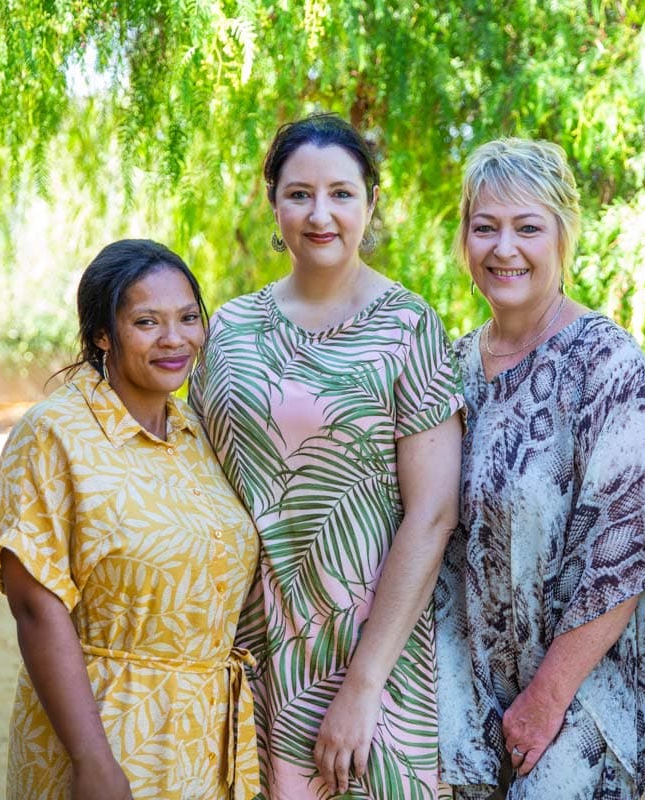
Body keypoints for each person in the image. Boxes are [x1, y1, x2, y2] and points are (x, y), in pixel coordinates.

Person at [190, 112, 464, 800]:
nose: (320, 214)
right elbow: (192, 478)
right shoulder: (227, 330)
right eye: (299, 194)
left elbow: (433, 514)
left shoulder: (409, 326)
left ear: (370, 203)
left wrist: (363, 685)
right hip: (244, 656)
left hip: (370, 659)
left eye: (341, 193)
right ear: (273, 203)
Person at [434, 137, 645, 800]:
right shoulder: (450, 367)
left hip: (584, 703)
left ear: (563, 235)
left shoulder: (606, 365)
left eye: (527, 228)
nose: (504, 248)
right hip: (473, 705)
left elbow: (629, 550)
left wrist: (546, 698)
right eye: (485, 227)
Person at [0, 239, 262, 800]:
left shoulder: (195, 433)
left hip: (202, 744)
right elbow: (36, 607)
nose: (175, 339)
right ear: (101, 335)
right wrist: (93, 760)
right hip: (106, 730)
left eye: (188, 318)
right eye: (147, 322)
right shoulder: (53, 433)